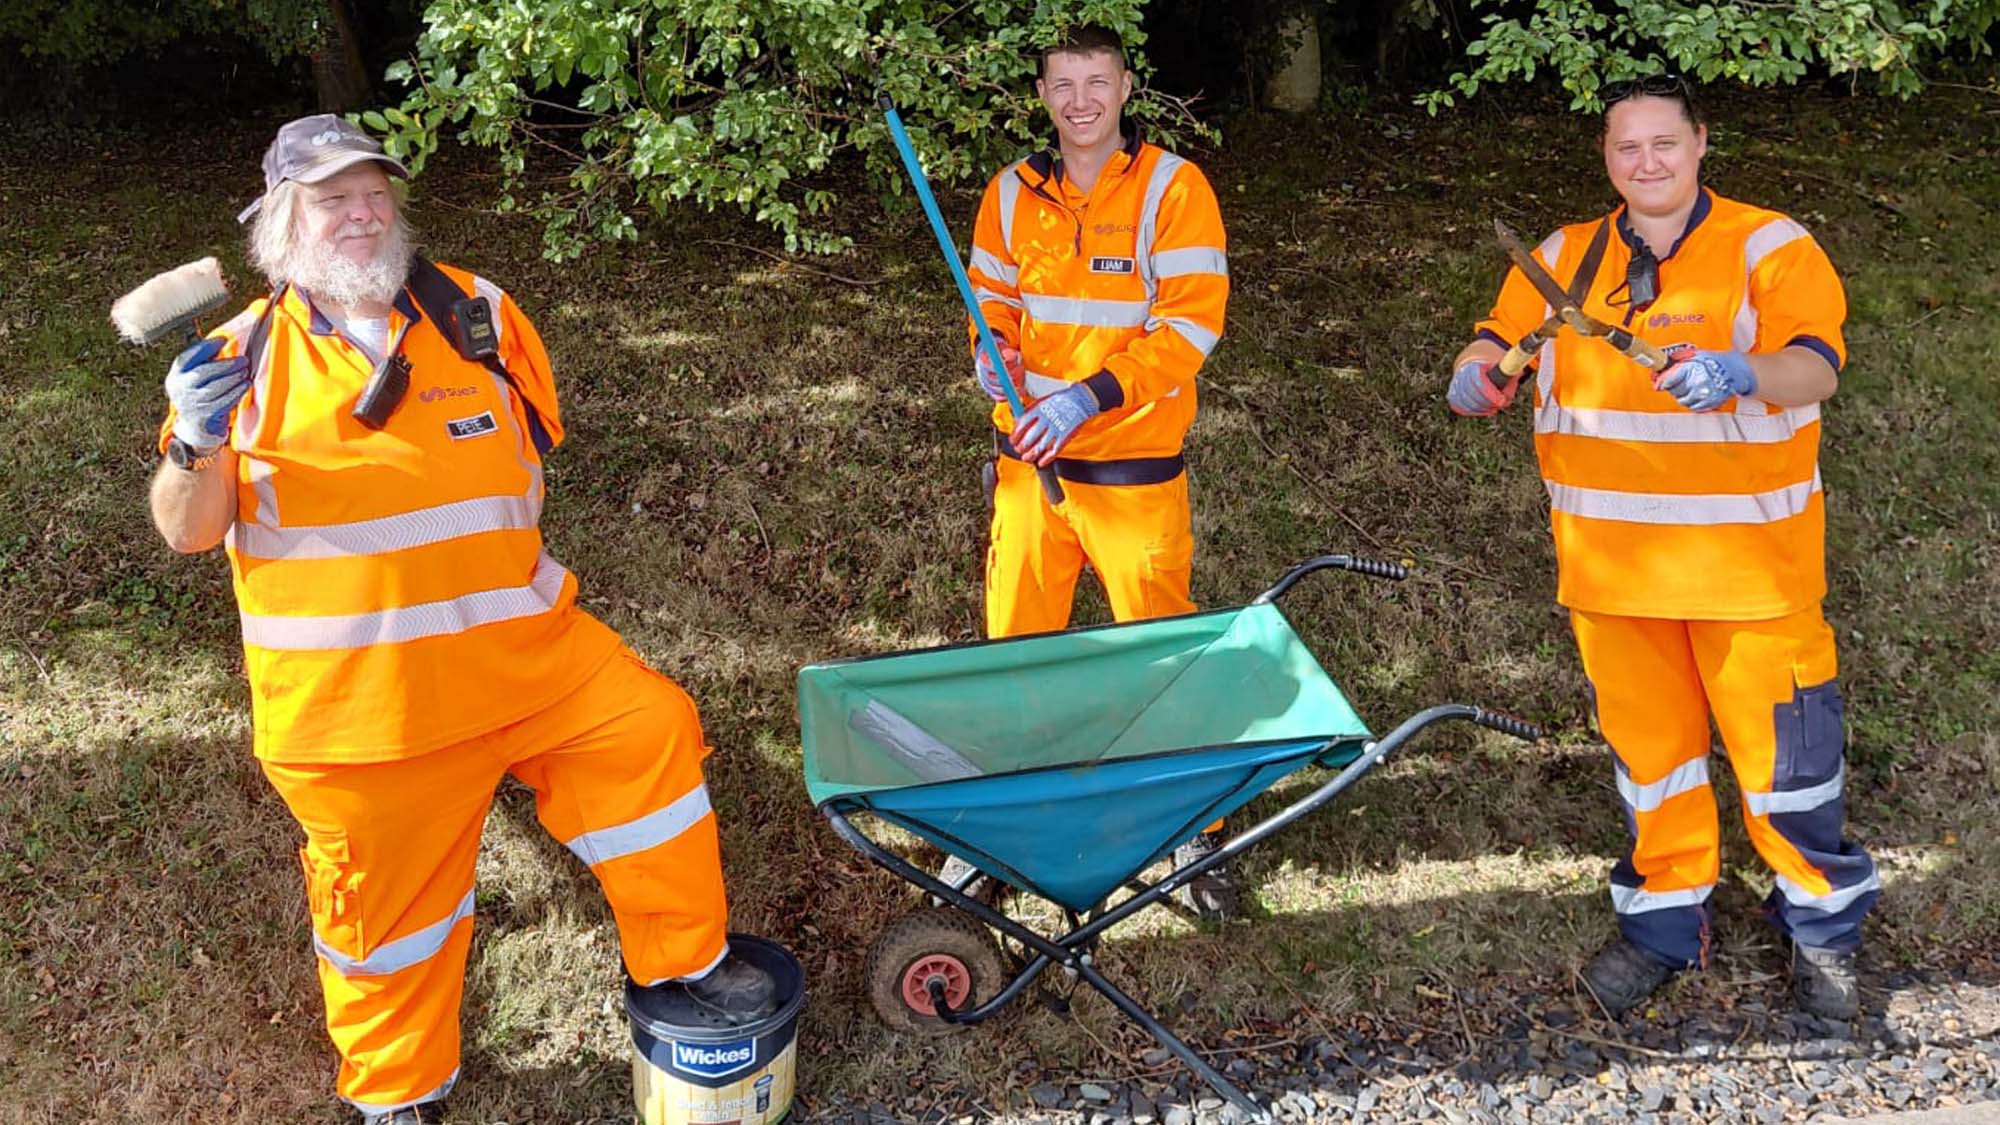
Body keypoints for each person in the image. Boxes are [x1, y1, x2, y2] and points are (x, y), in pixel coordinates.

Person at [147, 114, 773, 1124]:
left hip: (532, 662)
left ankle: (682, 965)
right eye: (330, 197)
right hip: (363, 717)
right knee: (388, 925)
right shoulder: (235, 363)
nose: (359, 212)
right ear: (277, 223)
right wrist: (193, 442)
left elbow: (524, 459)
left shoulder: (477, 312)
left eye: (372, 192)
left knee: (648, 735)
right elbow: (186, 531)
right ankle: (402, 1092)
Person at [1447, 78, 1877, 1019]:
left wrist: (1743, 372)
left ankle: (1823, 930)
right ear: (1606, 155)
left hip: (1751, 573)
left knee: (1789, 767)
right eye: (1627, 147)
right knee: (1654, 761)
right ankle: (1663, 925)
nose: (1648, 162)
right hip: (1611, 573)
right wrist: (1476, 377)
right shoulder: (1563, 256)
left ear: (1700, 144)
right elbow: (1491, 344)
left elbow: (1817, 364)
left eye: (1665, 144)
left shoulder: (1770, 243)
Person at [957, 25, 1235, 917]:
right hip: (1027, 469)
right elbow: (990, 300)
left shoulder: (1173, 188)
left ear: (1125, 89)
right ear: (1043, 94)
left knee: (1157, 662)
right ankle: (1000, 837)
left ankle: (1190, 837)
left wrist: (1091, 395)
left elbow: (1192, 325)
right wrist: (987, 350)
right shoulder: (1010, 192)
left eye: (1098, 83)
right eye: (1064, 84)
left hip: (1133, 472)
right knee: (1016, 660)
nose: (1081, 101)